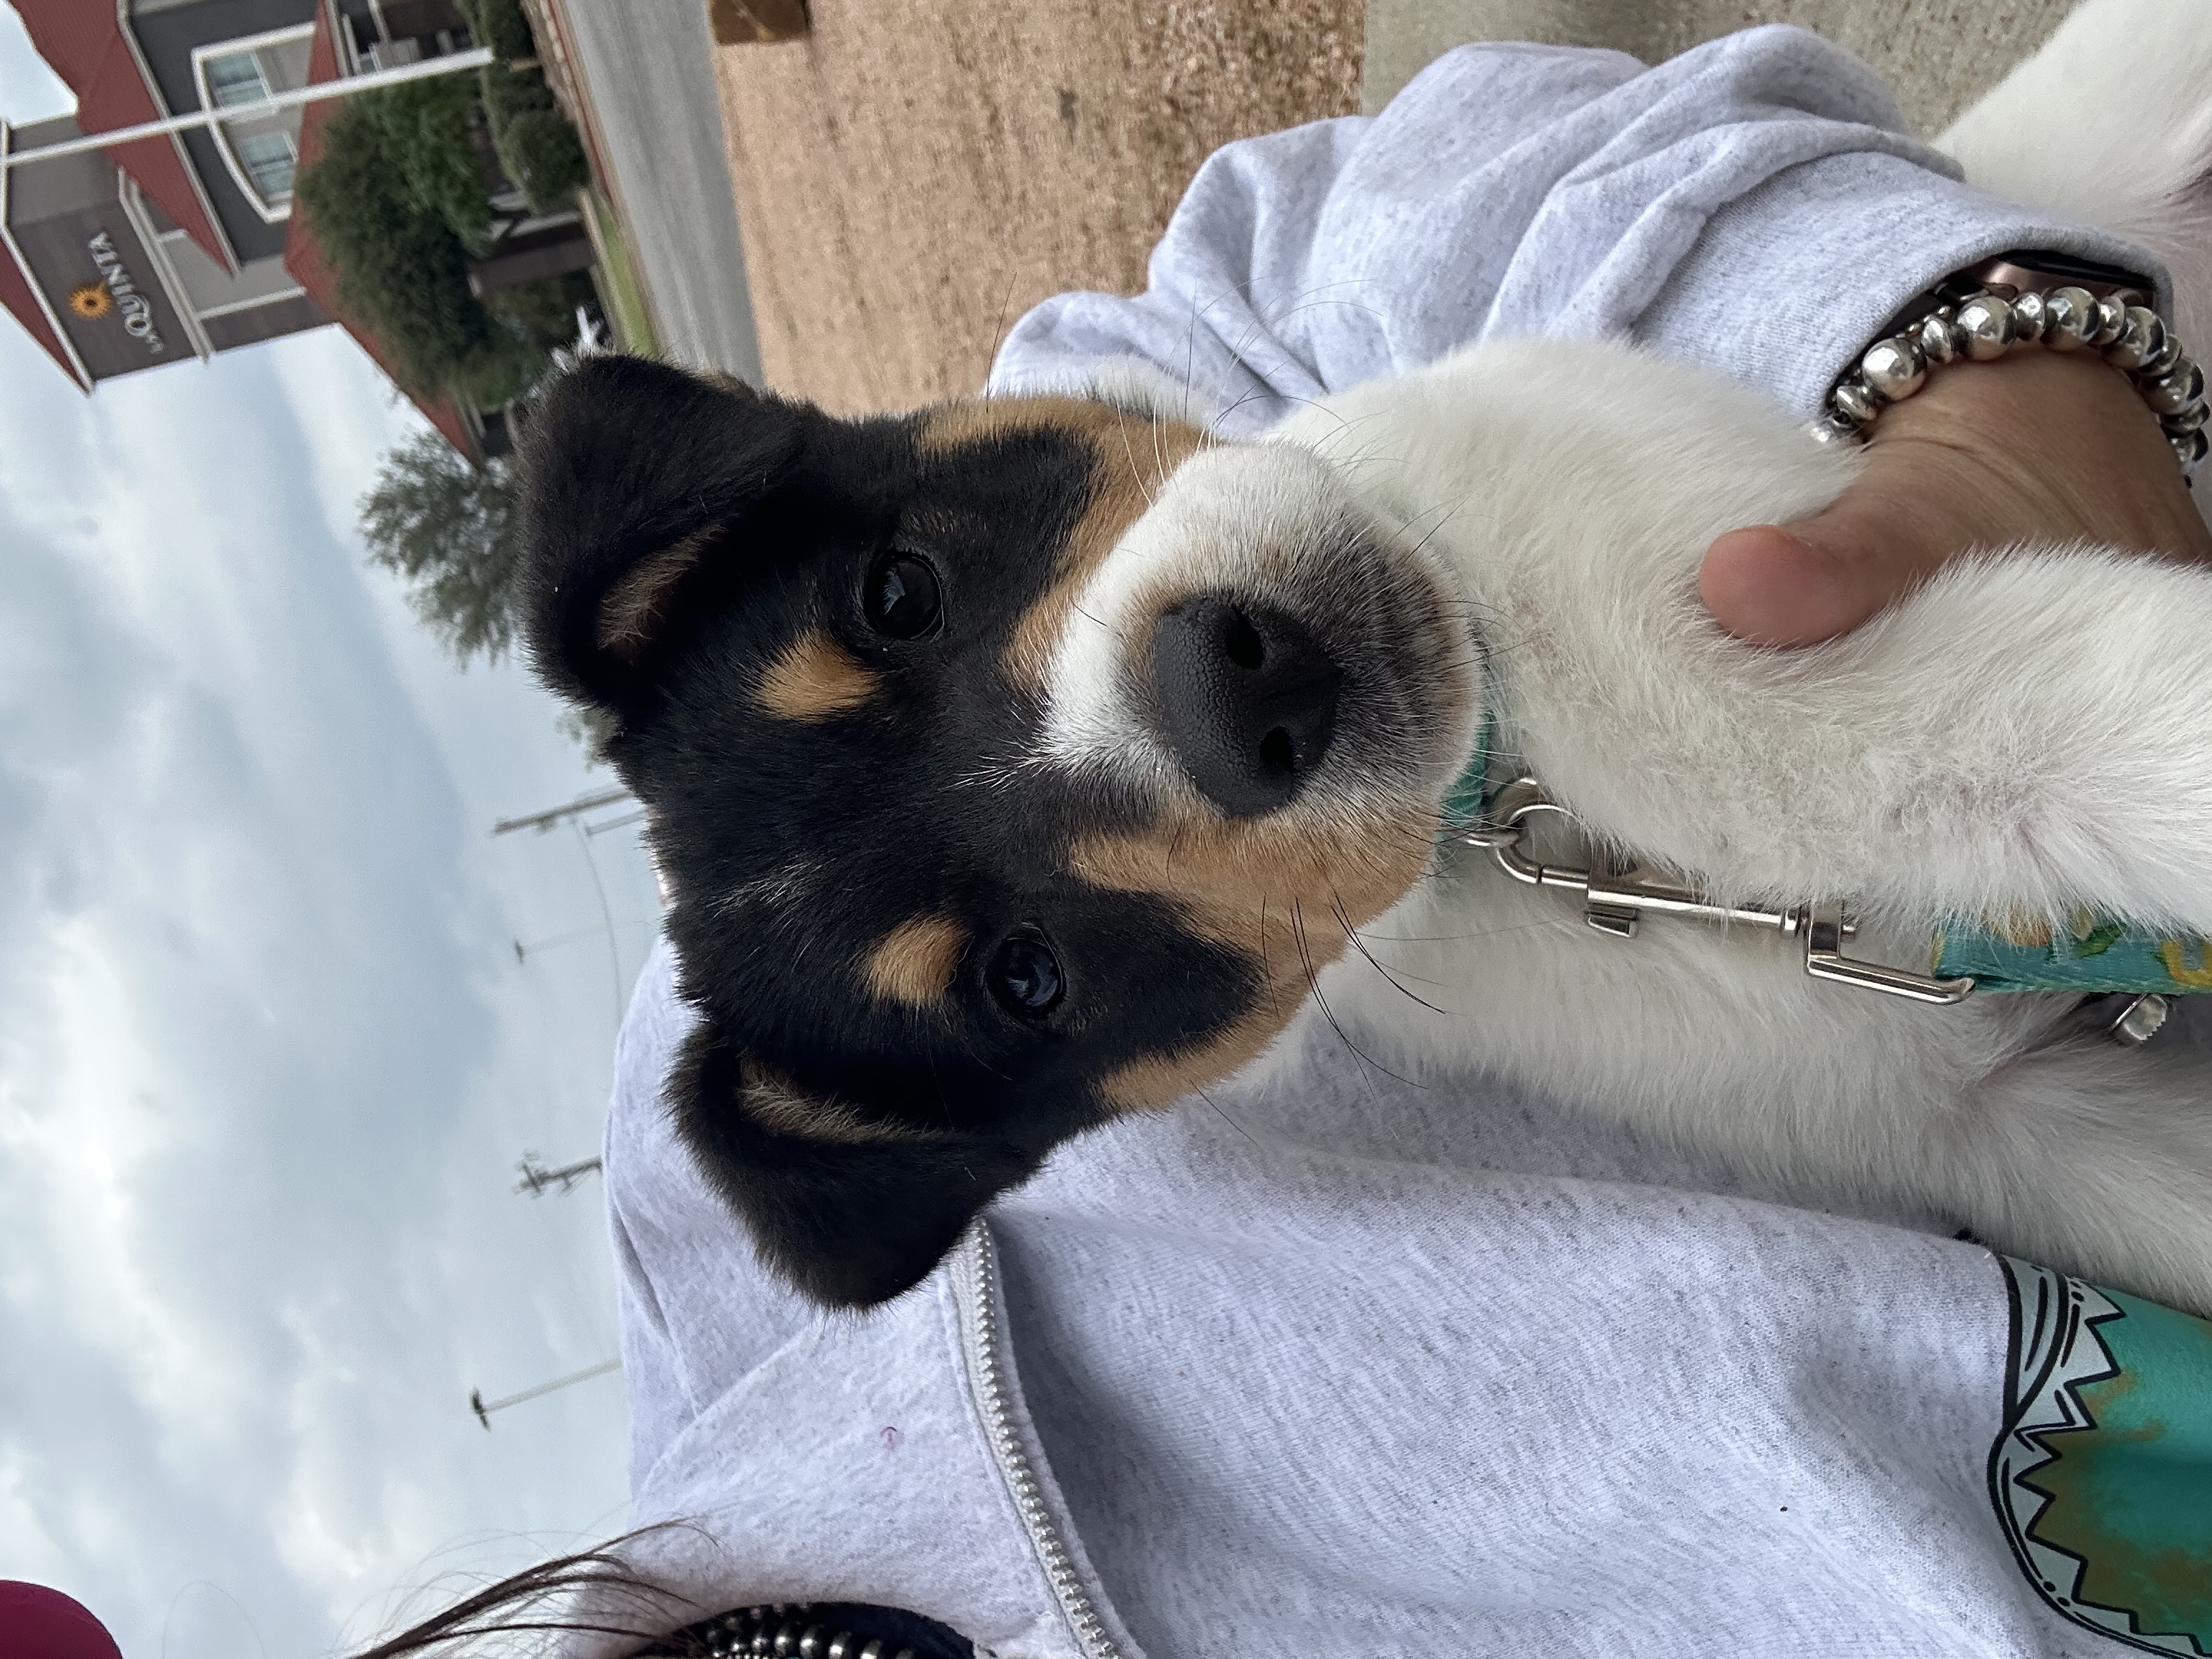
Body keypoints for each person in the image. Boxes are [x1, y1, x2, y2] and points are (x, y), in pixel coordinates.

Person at [362, 23, 2212, 1659]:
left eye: (908, 592)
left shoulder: (1396, 464)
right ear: (1035, 1119)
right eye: (1024, 968)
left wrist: (1972, 344)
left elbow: (1335, 232)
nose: (1172, 724)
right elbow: (2018, 1128)